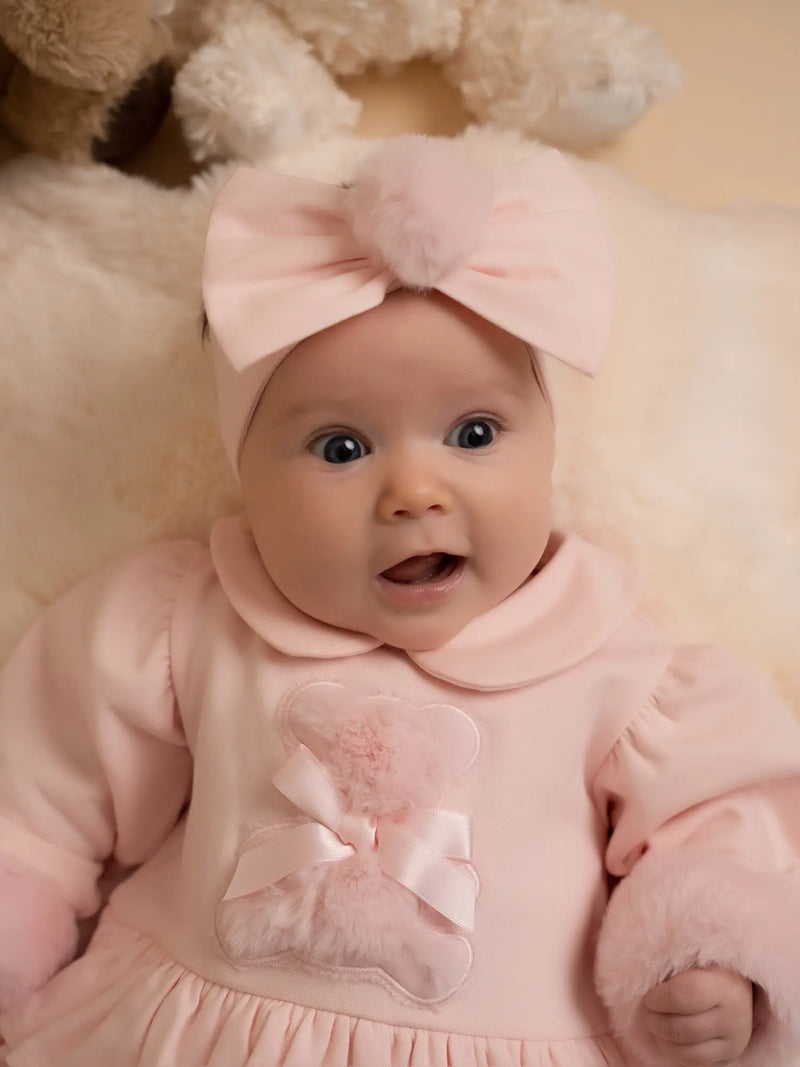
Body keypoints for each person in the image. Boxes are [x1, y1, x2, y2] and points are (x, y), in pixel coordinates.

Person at [0, 135, 798, 1067]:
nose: (414, 492)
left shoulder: (627, 678)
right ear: (246, 475)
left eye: (474, 432)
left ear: (549, 446)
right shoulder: (188, 624)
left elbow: (726, 832)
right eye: (341, 448)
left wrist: (706, 959)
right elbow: (43, 795)